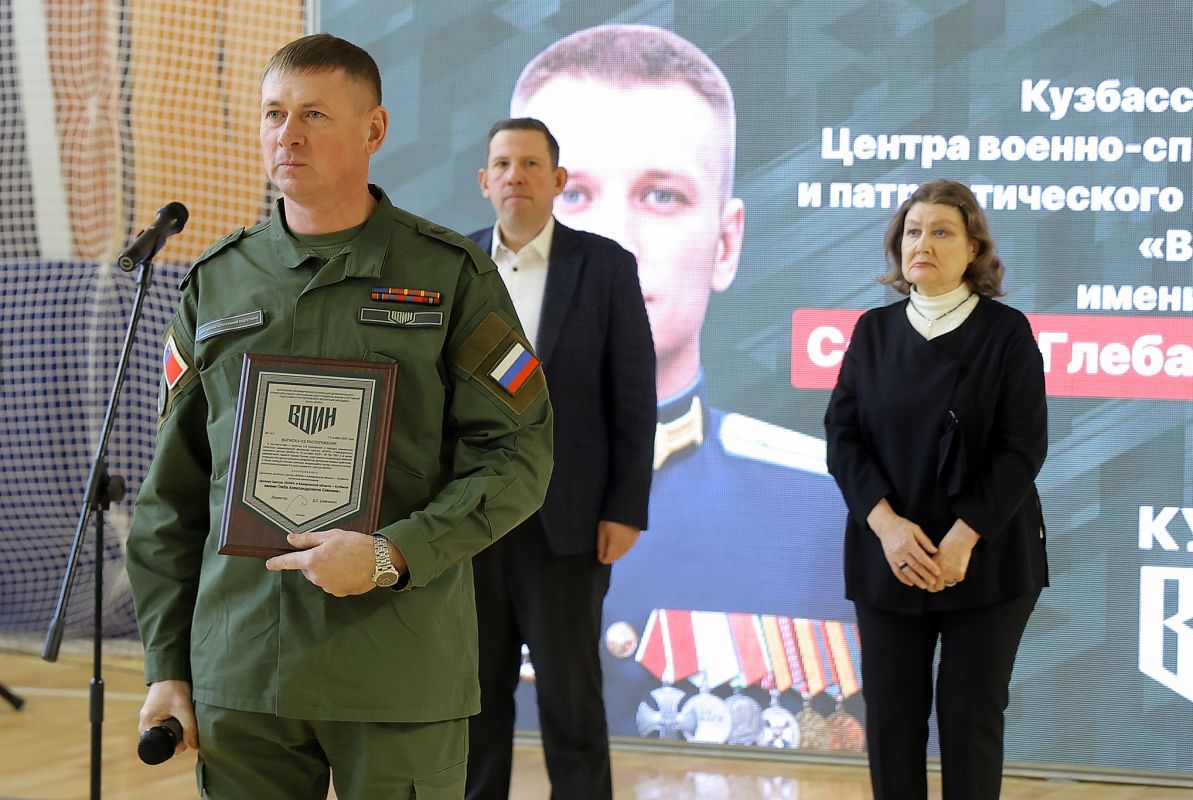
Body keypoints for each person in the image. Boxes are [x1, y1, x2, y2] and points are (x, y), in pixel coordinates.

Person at [125, 34, 553, 800]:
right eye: (274, 114)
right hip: (243, 674)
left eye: (314, 114)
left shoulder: (449, 276)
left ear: (373, 130)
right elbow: (172, 496)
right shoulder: (217, 284)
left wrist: (392, 554)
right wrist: (167, 665)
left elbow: (519, 454)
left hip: (396, 672)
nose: (287, 135)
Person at [509, 24, 856, 745]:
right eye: (571, 194)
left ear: (725, 244)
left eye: (662, 196)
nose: (614, 243)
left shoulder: (838, 512)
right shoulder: (418, 484)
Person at [823, 179, 1049, 799]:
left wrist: (961, 539)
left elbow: (1023, 446)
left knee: (970, 719)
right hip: (889, 553)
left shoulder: (1007, 332)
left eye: (941, 232)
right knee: (892, 722)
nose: (922, 243)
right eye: (913, 232)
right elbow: (843, 437)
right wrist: (888, 527)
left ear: (974, 249)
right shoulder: (872, 331)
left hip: (986, 556)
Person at [465, 117, 656, 799]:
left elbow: (632, 396)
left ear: (558, 180)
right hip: (467, 523)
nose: (515, 175)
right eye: (502, 164)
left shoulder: (604, 267)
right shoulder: (453, 264)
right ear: (484, 181)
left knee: (572, 704)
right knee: (472, 704)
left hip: (567, 525)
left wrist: (625, 508)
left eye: (530, 163)